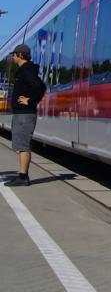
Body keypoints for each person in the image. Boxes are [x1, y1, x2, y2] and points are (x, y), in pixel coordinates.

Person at [5, 44, 45, 187]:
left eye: (14, 54)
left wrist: (31, 100)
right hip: (22, 114)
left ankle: (23, 177)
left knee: (23, 145)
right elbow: (41, 85)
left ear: (20, 55)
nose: (13, 57)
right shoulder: (26, 70)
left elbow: (39, 86)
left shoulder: (26, 69)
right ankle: (22, 175)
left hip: (25, 114)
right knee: (21, 144)